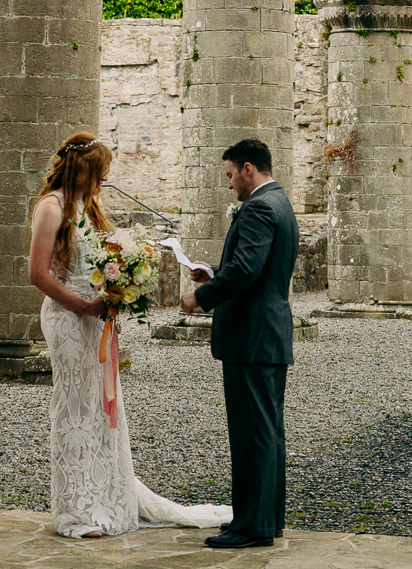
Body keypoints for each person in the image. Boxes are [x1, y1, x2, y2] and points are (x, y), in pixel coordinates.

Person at [28, 131, 234, 539]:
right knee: (74, 408)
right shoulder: (51, 208)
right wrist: (83, 304)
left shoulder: (87, 208)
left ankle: (104, 496)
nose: (102, 180)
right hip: (68, 320)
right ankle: (76, 510)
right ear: (81, 169)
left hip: (95, 316)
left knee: (102, 408)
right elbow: (37, 274)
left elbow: (102, 263)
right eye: (99, 172)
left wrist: (117, 289)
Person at [178, 137, 298, 550]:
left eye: (230, 174)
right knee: (266, 431)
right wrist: (213, 271)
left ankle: (252, 526)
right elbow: (255, 269)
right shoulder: (279, 201)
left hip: (253, 337)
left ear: (248, 168)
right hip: (265, 334)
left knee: (253, 435)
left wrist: (201, 298)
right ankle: (266, 519)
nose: (229, 184)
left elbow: (247, 269)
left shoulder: (260, 207)